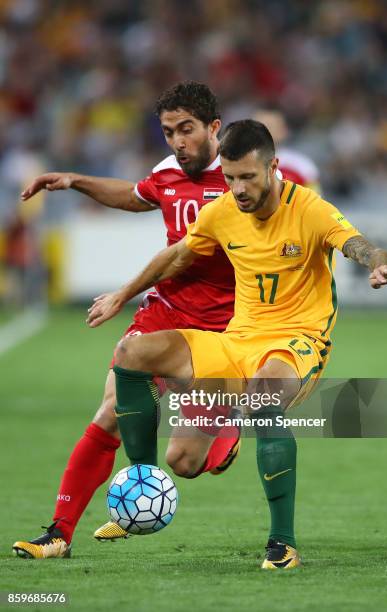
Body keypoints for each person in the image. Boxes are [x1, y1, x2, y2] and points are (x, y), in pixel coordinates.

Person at [84, 119, 387, 569]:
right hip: (237, 340)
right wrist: (121, 294)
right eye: (230, 177)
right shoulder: (224, 210)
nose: (238, 188)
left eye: (248, 177)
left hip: (295, 343)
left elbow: (358, 244)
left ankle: (283, 543)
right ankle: (142, 488)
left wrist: (378, 264)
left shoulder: (309, 209)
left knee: (263, 397)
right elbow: (176, 256)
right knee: (132, 356)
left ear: (273, 166)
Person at [12, 81, 242, 560]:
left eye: (187, 130)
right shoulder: (168, 171)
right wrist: (76, 180)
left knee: (185, 461)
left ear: (213, 128)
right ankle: (59, 532)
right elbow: (137, 196)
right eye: (168, 132)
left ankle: (226, 427)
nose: (178, 142)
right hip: (167, 311)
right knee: (111, 409)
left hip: (224, 327)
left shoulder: (245, 175)